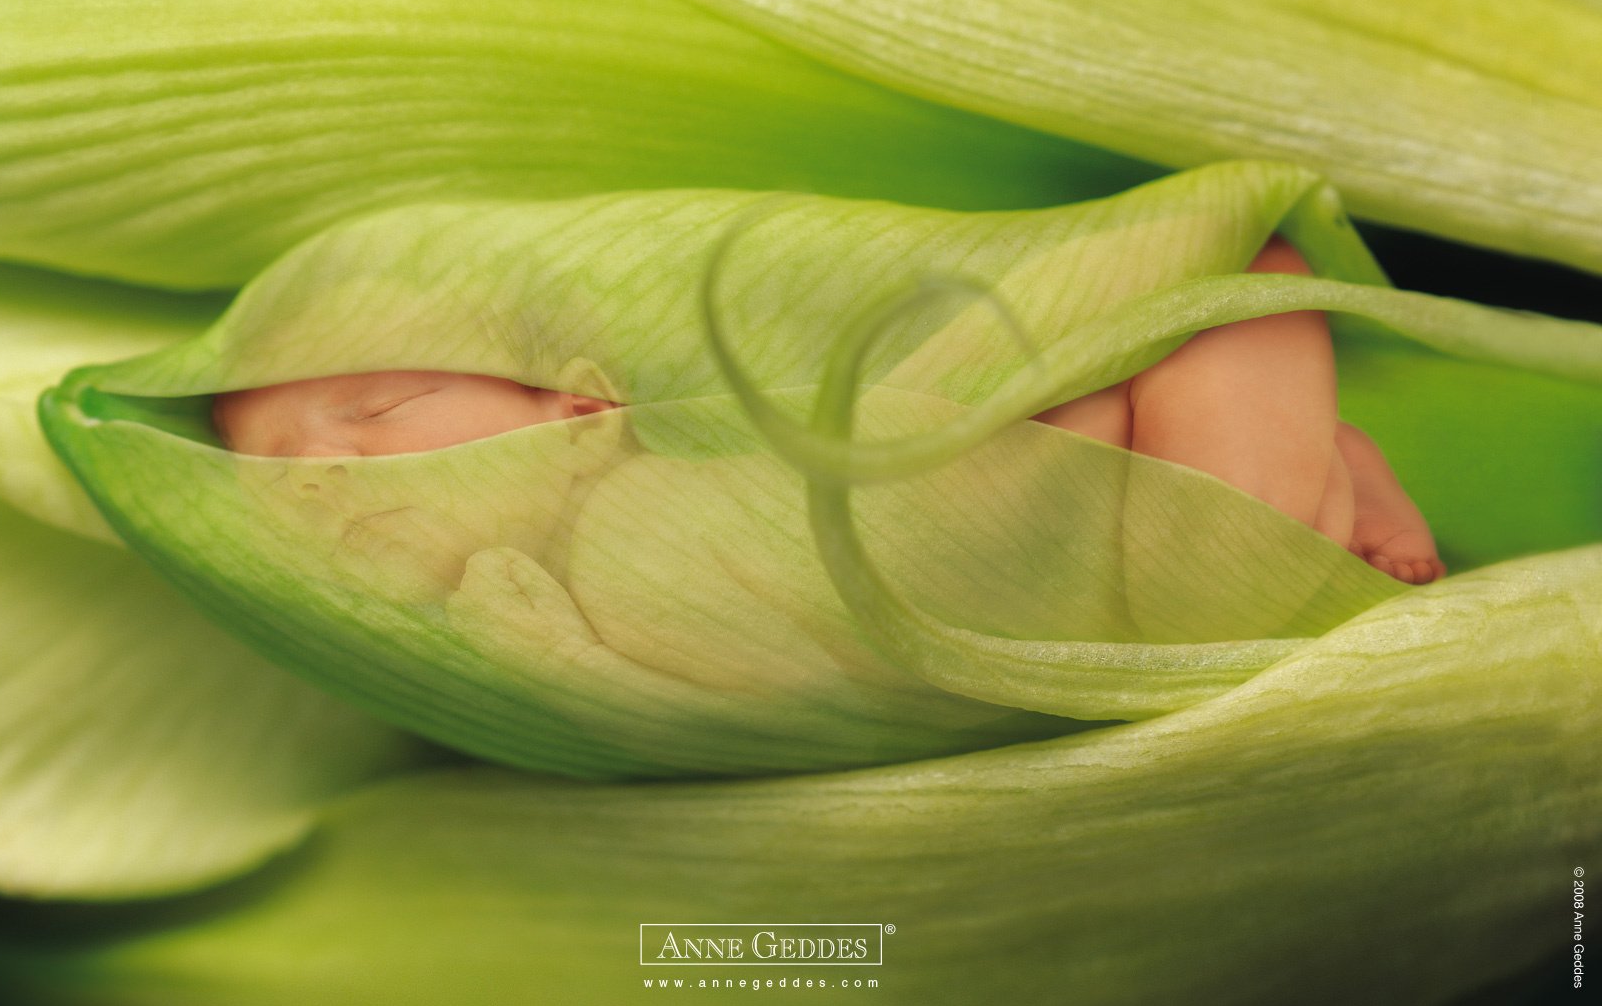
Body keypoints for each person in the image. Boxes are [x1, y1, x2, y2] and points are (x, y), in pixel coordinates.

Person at [212, 240, 1444, 584]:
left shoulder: (652, 442)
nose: (319, 466)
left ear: (580, 406)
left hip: (1083, 419)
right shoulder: (535, 596)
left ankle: (1261, 353)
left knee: (1225, 542)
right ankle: (1336, 462)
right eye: (273, 474)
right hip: (1090, 505)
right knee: (1226, 550)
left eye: (377, 408)